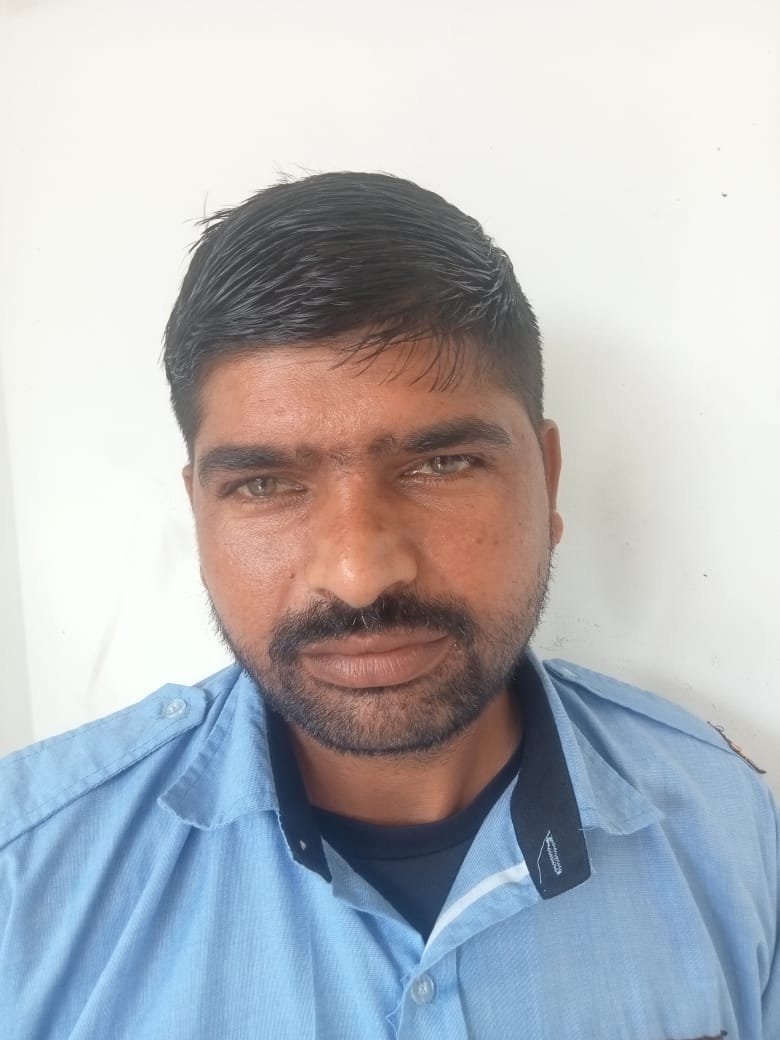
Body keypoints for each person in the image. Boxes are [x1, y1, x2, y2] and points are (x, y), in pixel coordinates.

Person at [0, 172, 776, 1040]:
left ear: (548, 479)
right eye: (266, 483)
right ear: (200, 511)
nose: (359, 576)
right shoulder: (23, 870)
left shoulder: (726, 822)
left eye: (441, 464)